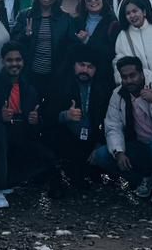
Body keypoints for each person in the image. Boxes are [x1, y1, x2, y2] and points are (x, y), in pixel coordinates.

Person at [0, 42, 57, 209]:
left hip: (16, 138)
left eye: (18, 60)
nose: (14, 64)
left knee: (47, 157)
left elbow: (34, 128)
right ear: (2, 61)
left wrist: (35, 121)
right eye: (10, 60)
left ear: (23, 61)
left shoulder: (29, 89)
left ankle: (8, 179)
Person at [91, 56, 152, 205]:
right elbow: (113, 125)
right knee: (102, 155)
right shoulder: (118, 94)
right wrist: (119, 152)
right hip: (138, 146)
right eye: (124, 77)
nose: (128, 80)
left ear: (141, 74)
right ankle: (145, 179)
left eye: (132, 75)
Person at [42, 45, 110, 188]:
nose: (85, 70)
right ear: (74, 65)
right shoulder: (60, 83)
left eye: (90, 67)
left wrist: (99, 143)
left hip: (93, 139)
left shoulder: (103, 88)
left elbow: (109, 120)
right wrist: (65, 115)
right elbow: (46, 115)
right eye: (81, 65)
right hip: (66, 137)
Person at [12, 0, 76, 103]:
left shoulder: (65, 18)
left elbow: (71, 46)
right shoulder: (25, 15)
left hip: (55, 76)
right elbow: (13, 42)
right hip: (30, 74)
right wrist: (25, 35)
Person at [73, 0, 119, 94]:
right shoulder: (78, 21)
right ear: (84, 3)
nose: (93, 1)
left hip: (103, 75)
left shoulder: (113, 22)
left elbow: (112, 51)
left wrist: (88, 41)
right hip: (80, 75)